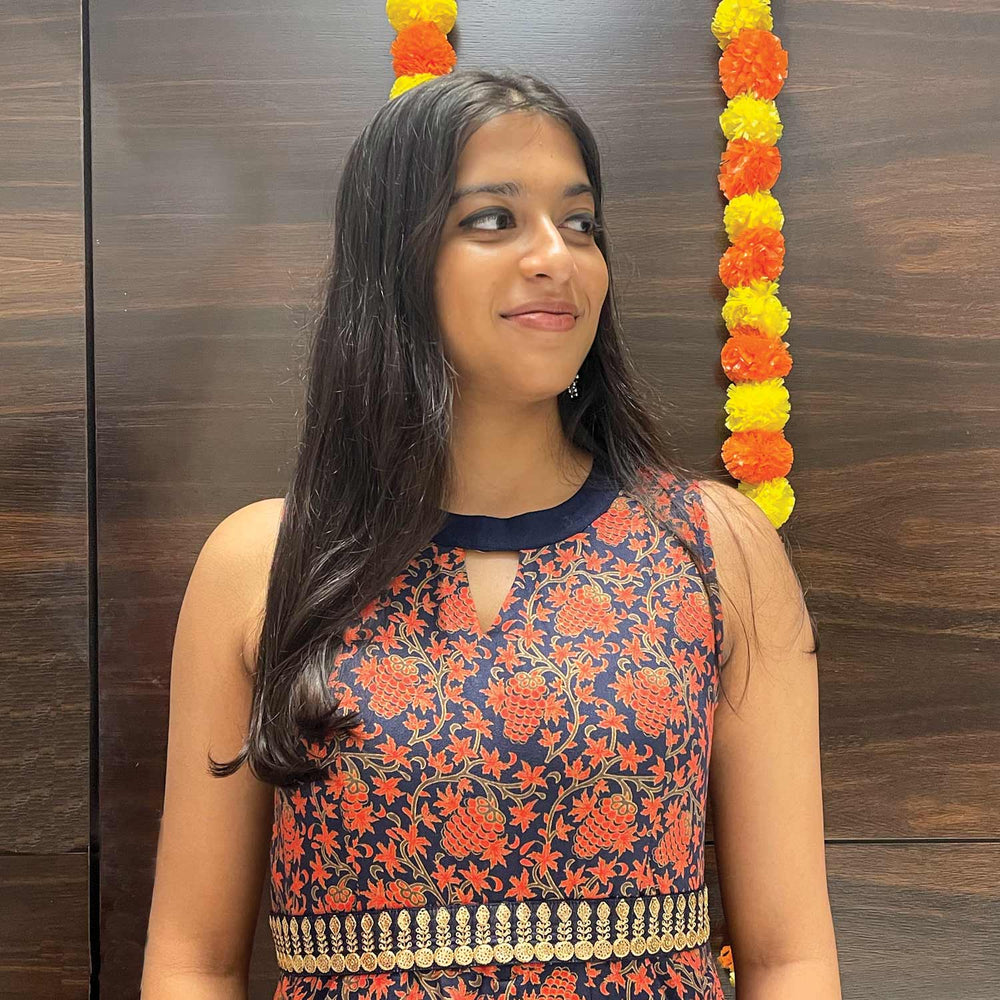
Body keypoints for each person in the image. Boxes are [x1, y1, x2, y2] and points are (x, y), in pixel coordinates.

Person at [141, 69, 842, 1000]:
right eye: (493, 219)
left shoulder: (713, 547)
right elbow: (194, 962)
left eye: (580, 222)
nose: (556, 256)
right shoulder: (264, 566)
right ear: (395, 260)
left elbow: (789, 956)